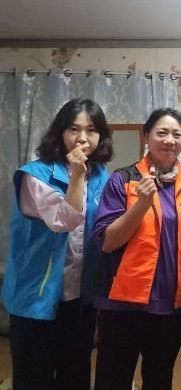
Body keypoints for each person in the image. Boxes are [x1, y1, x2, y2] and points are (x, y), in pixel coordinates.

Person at [93, 108, 181, 390]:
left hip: (171, 305)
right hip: (123, 304)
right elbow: (107, 241)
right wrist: (141, 205)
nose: (169, 140)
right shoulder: (123, 179)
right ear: (147, 136)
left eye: (177, 134)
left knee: (159, 379)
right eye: (162, 132)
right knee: (113, 380)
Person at [2, 98, 113, 390]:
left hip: (80, 296)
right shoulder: (34, 175)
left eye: (91, 130)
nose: (82, 138)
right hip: (36, 295)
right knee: (33, 377)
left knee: (75, 374)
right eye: (74, 129)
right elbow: (65, 221)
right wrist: (76, 175)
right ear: (60, 132)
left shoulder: (100, 175)